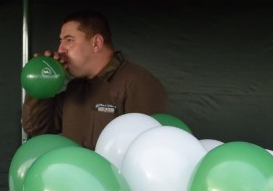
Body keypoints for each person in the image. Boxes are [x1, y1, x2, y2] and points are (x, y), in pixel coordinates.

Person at [21, 9, 170, 149]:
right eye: (61, 41)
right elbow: (36, 127)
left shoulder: (137, 84)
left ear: (96, 43)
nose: (60, 49)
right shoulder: (75, 87)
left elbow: (150, 151)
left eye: (69, 40)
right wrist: (40, 82)